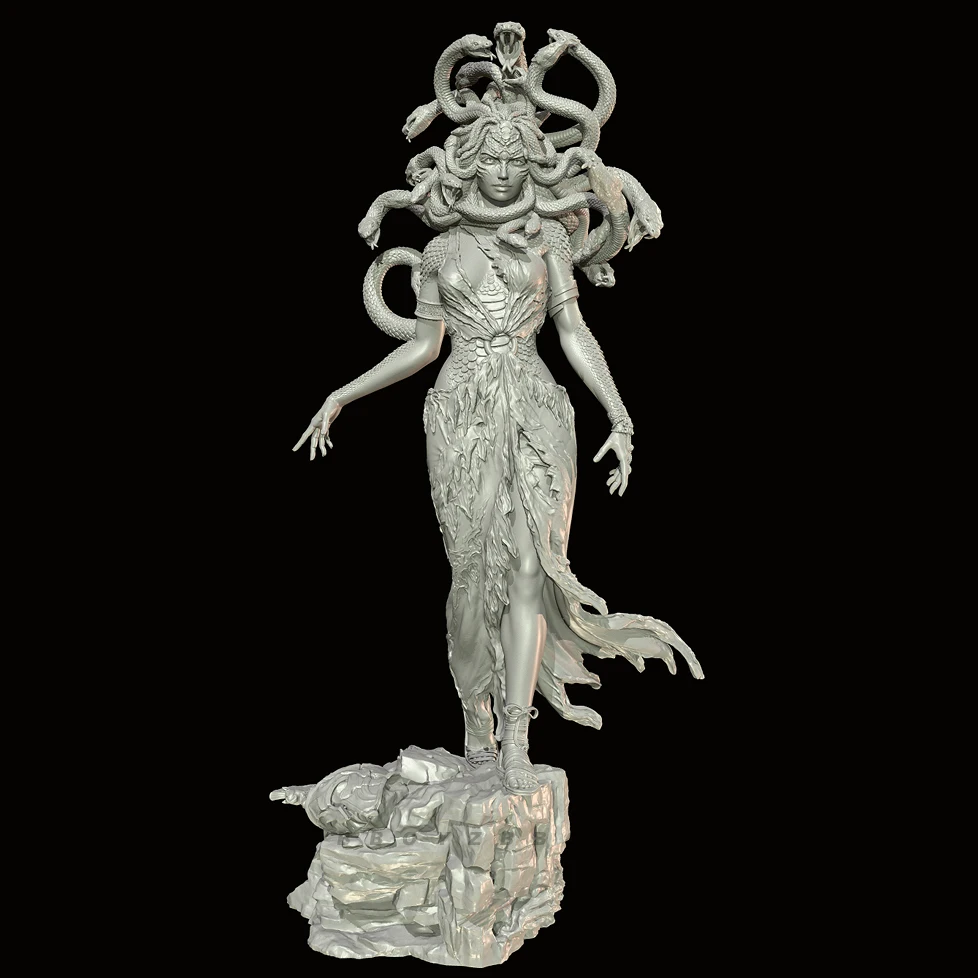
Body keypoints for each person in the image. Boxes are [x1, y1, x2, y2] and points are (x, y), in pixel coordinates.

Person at [294, 25, 702, 796]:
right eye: (495, 158)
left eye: (520, 158)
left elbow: (573, 331)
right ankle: (476, 728)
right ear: (471, 160)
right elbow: (423, 348)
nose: (509, 170)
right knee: (471, 575)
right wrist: (342, 393)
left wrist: (620, 415)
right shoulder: (440, 252)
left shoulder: (547, 238)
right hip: (459, 412)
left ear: (533, 161)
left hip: (537, 407)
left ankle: (517, 740)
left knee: (530, 569)